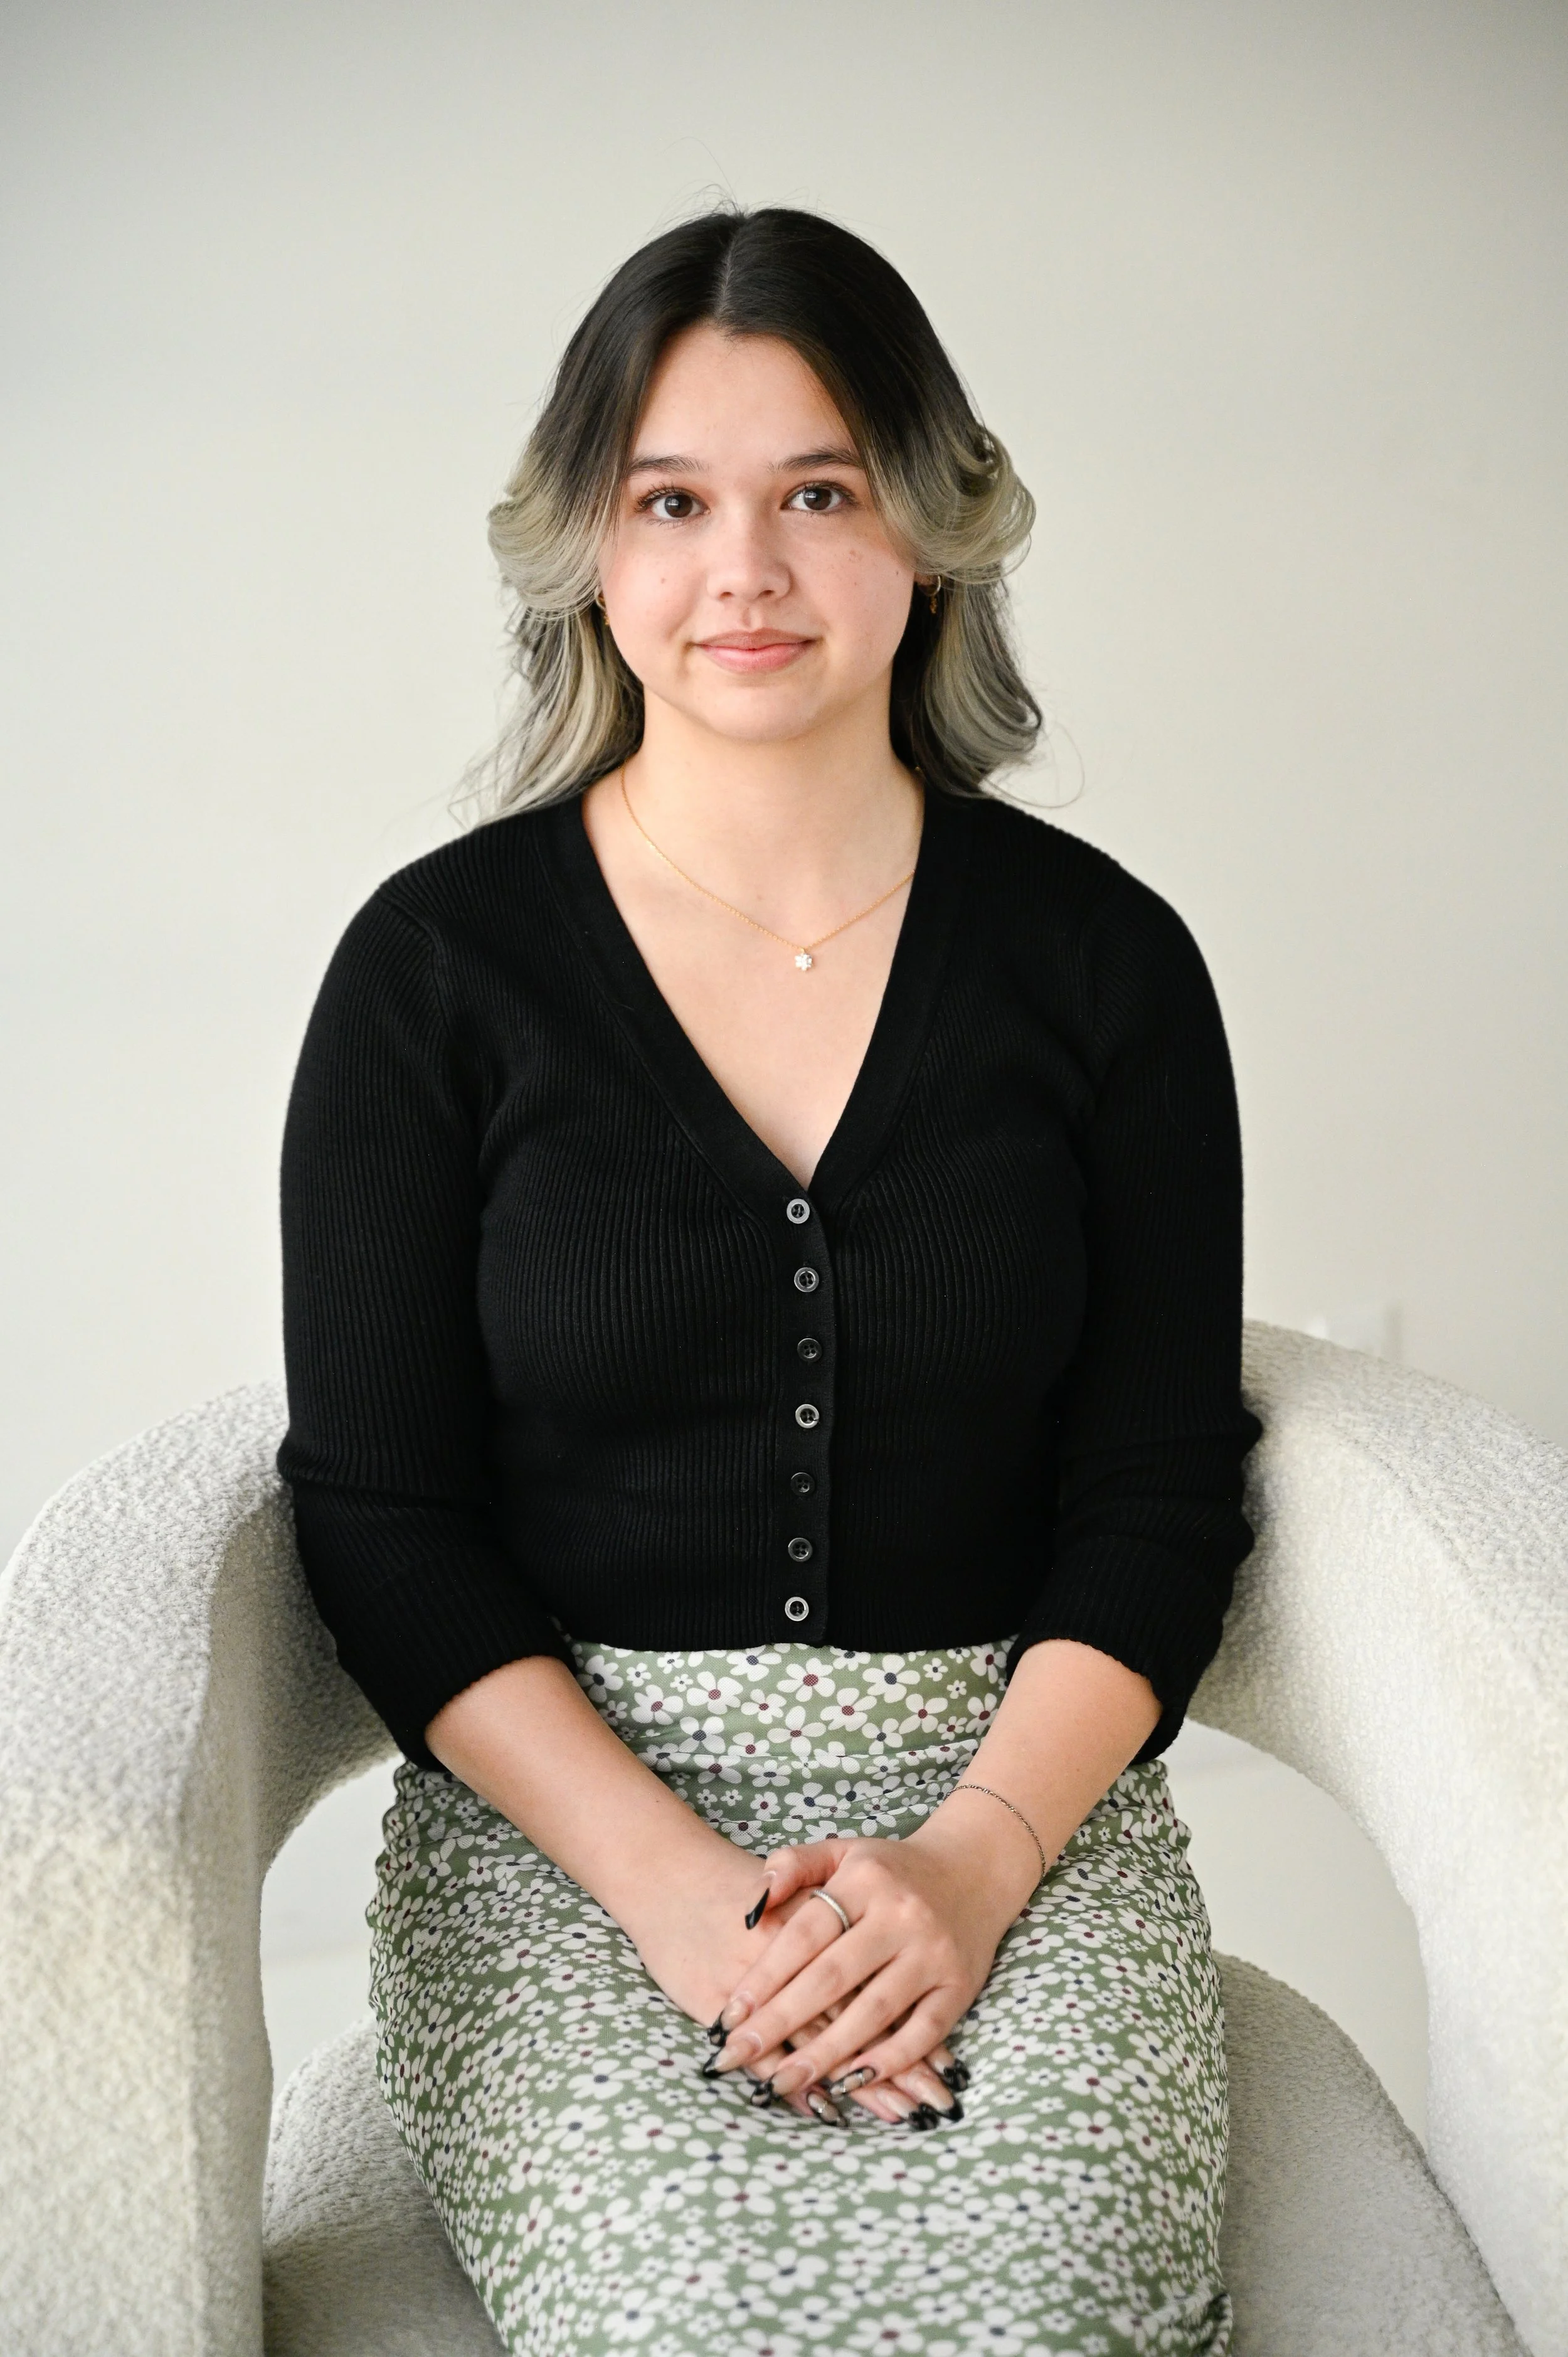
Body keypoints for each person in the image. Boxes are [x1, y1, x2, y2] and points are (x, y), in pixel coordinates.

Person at [278, 205, 1261, 2357]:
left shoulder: (1107, 968)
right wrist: (679, 1896)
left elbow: (1164, 1484)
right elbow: (381, 1514)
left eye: (817, 491)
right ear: (591, 554)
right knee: (689, 2316)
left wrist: (975, 1862)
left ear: (927, 523)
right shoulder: (431, 976)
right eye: (672, 501)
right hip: (567, 1831)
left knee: (1042, 2305)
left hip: (1014, 1794)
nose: (747, 570)